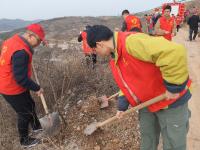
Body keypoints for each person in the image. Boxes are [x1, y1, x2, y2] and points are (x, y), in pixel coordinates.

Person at [86, 25, 192, 150]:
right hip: (148, 103)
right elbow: (128, 83)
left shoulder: (131, 42)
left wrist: (173, 86)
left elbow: (174, 52)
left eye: (94, 50)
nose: (96, 54)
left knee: (174, 144)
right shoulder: (115, 56)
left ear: (99, 44)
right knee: (147, 139)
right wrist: (122, 106)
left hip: (171, 102)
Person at [0, 24, 46, 148]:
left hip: (10, 83)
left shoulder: (12, 40)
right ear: (30, 36)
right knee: (24, 113)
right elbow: (20, 78)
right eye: (39, 40)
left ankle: (36, 127)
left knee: (30, 104)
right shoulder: (21, 52)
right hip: (11, 87)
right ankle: (24, 141)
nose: (38, 43)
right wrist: (37, 88)